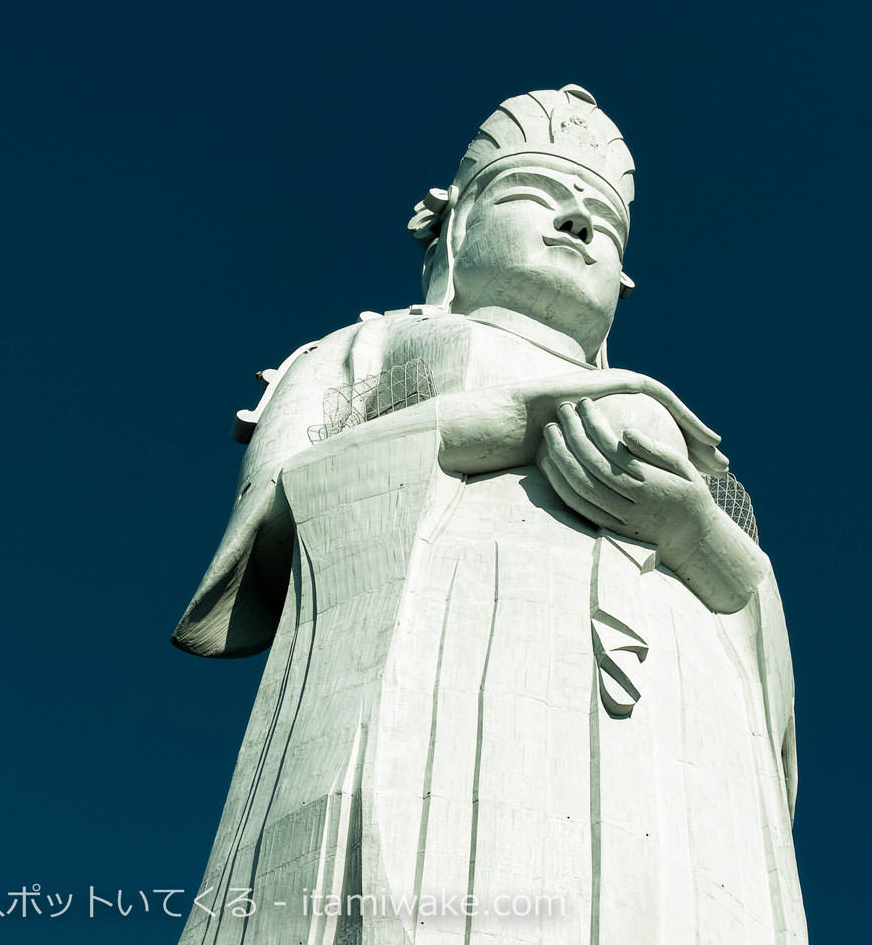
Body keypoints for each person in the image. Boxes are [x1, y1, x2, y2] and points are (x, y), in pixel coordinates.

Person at [173, 85, 806, 944]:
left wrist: (689, 529)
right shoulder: (371, 348)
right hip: (451, 662)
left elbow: (751, 612)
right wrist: (509, 420)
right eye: (537, 199)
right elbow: (279, 523)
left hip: (672, 729)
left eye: (602, 223)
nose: (577, 227)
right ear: (459, 225)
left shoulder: (686, 439)